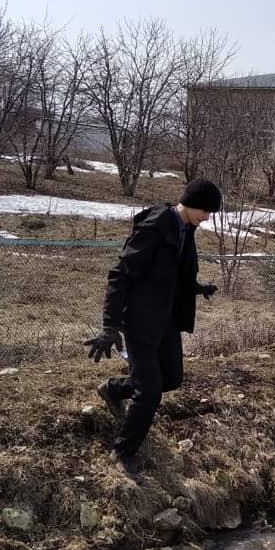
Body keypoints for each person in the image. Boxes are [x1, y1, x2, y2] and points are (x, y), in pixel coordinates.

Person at [83, 178, 222, 472]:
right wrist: (110, 326)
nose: (207, 218)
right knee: (149, 392)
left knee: (171, 379)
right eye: (206, 211)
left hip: (166, 319)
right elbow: (120, 275)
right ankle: (123, 453)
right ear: (193, 204)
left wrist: (198, 288)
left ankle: (112, 389)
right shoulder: (155, 227)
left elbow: (173, 274)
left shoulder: (186, 229)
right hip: (140, 320)